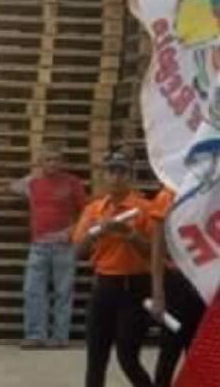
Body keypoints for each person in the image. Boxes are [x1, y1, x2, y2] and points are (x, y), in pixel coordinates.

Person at [0, 142, 85, 348]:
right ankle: (35, 336)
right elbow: (7, 187)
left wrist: (73, 231)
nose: (53, 164)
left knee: (63, 292)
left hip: (64, 247)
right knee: (33, 290)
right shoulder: (32, 183)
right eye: (48, 160)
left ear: (63, 162)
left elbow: (86, 211)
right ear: (40, 162)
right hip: (38, 246)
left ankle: (60, 338)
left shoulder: (72, 183)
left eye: (57, 160)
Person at [73, 151, 155, 387]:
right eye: (112, 171)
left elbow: (155, 252)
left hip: (135, 288)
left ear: (131, 176)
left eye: (122, 172)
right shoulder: (94, 210)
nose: (116, 177)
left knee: (127, 357)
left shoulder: (144, 209)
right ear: (104, 176)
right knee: (96, 358)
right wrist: (96, 232)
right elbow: (79, 252)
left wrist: (130, 235)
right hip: (103, 287)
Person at [147, 187, 205, 387]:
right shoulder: (168, 194)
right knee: (169, 353)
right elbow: (157, 248)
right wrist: (157, 292)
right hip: (177, 283)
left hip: (206, 284)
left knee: (201, 355)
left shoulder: (214, 190)